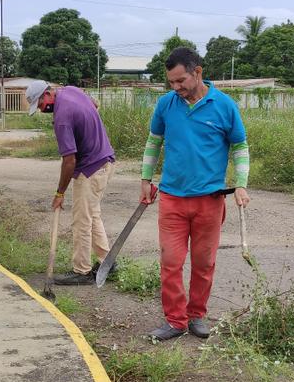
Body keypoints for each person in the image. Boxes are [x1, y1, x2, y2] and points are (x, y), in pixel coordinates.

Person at [139, 47, 250, 341]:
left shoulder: (224, 106)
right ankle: (175, 320)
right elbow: (154, 142)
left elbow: (239, 147)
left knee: (204, 264)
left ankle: (196, 315)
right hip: (172, 199)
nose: (176, 88)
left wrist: (241, 182)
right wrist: (145, 179)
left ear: (197, 72)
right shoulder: (166, 105)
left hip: (210, 201)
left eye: (181, 81)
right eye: (171, 83)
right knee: (171, 262)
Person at [25, 80, 116, 285]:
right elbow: (94, 104)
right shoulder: (70, 91)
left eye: (40, 105)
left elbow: (69, 160)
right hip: (105, 160)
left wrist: (59, 193)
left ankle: (81, 271)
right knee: (92, 214)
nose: (41, 109)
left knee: (81, 221)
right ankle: (107, 262)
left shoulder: (62, 119)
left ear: (47, 95)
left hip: (91, 168)